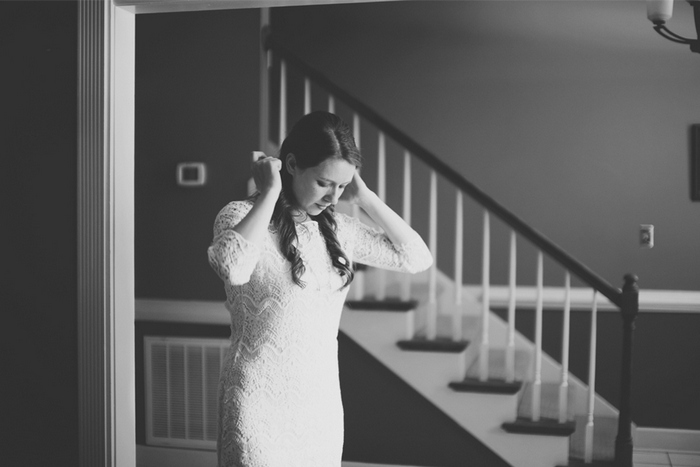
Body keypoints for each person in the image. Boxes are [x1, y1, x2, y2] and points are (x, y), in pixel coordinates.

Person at [207, 111, 433, 467]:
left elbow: (416, 258)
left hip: (319, 403)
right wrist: (270, 194)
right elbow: (232, 268)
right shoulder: (237, 216)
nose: (334, 197)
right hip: (257, 399)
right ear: (292, 165)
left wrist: (366, 198)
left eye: (343, 186)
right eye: (325, 182)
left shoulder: (338, 230)